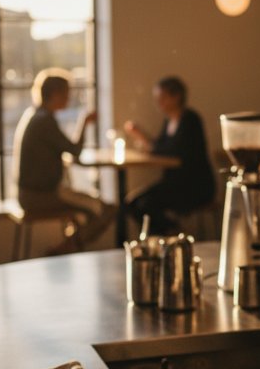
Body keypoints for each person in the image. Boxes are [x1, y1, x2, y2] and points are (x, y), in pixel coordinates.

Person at [13, 68, 116, 253]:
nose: (69, 98)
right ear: (56, 94)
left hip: (31, 194)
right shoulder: (44, 121)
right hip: (41, 196)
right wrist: (84, 122)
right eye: (67, 93)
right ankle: (65, 249)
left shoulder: (35, 115)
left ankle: (68, 247)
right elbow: (75, 151)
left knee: (93, 209)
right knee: (106, 210)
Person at [123, 76, 216, 235]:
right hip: (174, 183)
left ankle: (174, 233)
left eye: (162, 98)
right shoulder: (169, 121)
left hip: (193, 185)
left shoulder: (190, 120)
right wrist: (143, 139)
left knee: (145, 205)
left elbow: (173, 151)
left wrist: (144, 139)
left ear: (176, 96)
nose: (158, 102)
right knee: (131, 203)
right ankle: (169, 234)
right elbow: (160, 146)